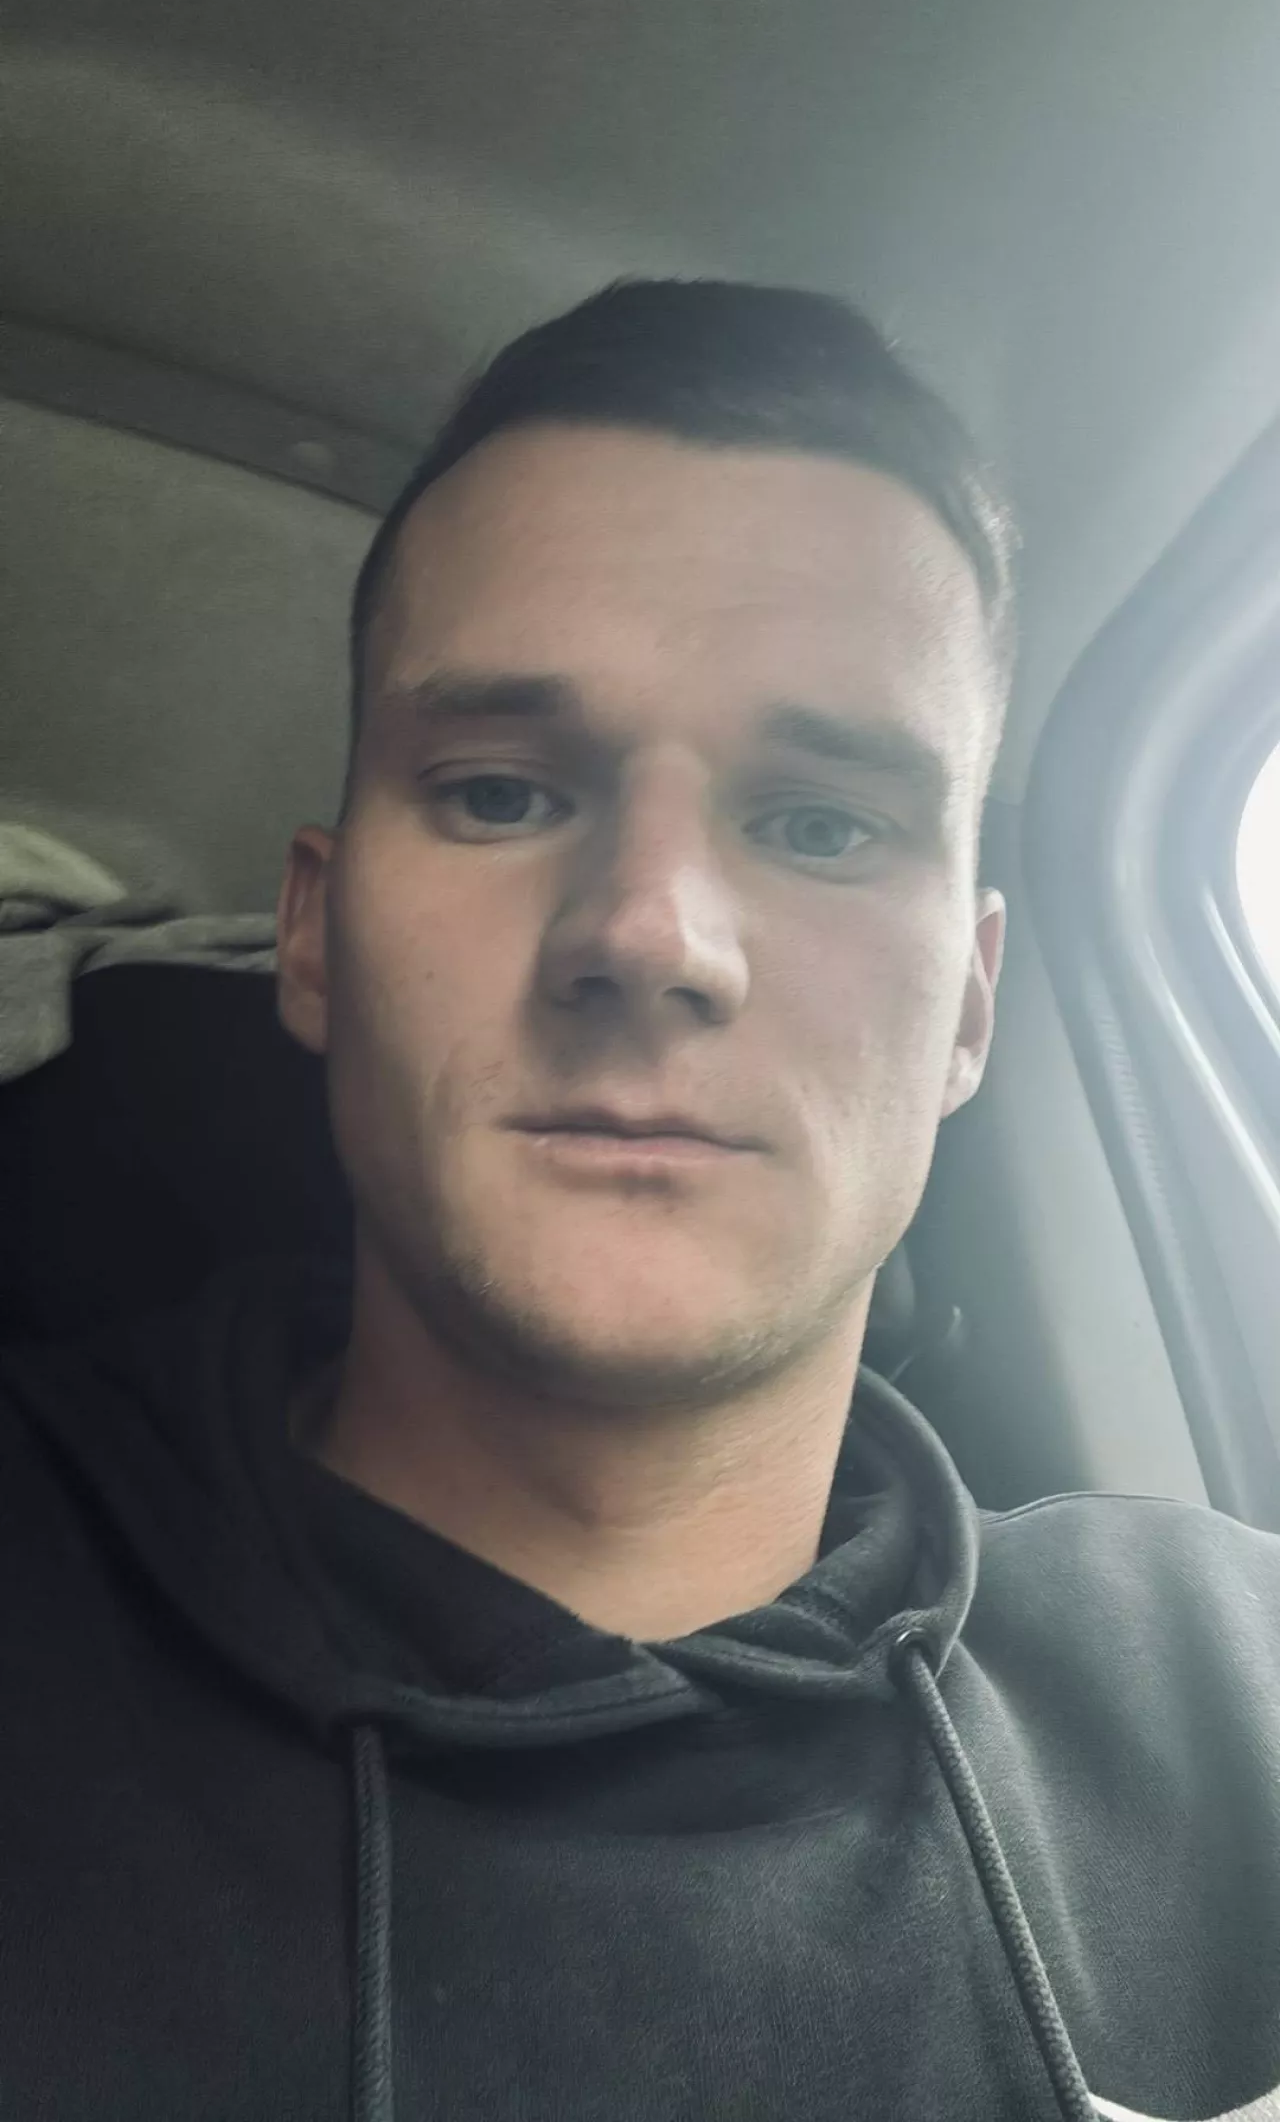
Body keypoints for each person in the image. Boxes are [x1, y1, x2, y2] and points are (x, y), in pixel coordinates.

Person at [2, 282, 1279, 2122]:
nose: (651, 935)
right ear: (313, 933)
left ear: (971, 1010)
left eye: (824, 824)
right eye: (500, 793)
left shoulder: (1236, 1695)